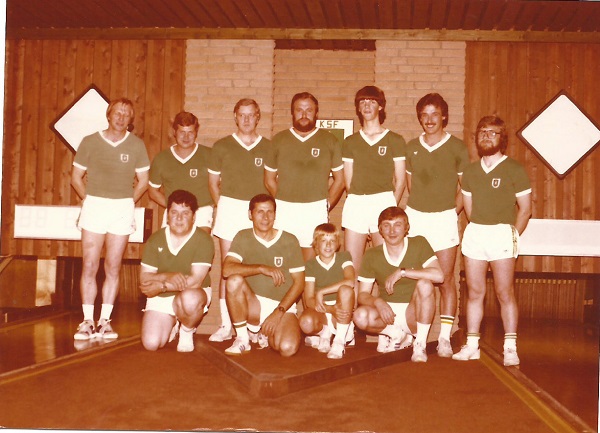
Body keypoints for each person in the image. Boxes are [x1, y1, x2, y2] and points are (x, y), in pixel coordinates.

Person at [452, 115, 532, 367]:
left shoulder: (514, 169)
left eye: (492, 132)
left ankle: (510, 347)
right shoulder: (470, 172)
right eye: (482, 132)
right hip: (476, 233)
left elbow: (525, 210)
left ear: (502, 138)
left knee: (504, 292)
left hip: (502, 234)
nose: (486, 137)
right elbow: (469, 209)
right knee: (475, 292)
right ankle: (472, 345)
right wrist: (479, 228)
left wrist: (511, 235)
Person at [71, 97, 150, 340]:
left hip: (121, 208)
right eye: (117, 113)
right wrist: (89, 200)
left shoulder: (136, 145)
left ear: (130, 119)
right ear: (109, 115)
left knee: (113, 266)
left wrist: (127, 201)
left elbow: (143, 182)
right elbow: (75, 177)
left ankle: (104, 321)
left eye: (126, 114)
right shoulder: (90, 141)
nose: (121, 117)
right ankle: (87, 321)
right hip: (94, 206)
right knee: (90, 264)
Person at [405, 93, 470, 358]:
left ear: (444, 116)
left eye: (435, 114)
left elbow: (465, 189)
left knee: (445, 279)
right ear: (419, 118)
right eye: (424, 115)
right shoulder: (412, 147)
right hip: (416, 218)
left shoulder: (457, 148)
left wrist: (449, 212)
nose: (429, 120)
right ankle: (415, 338)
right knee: (416, 278)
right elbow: (411, 186)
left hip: (444, 219)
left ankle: (444, 338)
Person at [207, 99, 271, 343]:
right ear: (235, 117)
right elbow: (213, 184)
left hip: (258, 212)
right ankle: (227, 325)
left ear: (258, 117)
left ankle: (257, 327)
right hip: (230, 208)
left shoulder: (268, 147)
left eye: (250, 115)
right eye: (241, 115)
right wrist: (225, 206)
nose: (246, 119)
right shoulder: (221, 146)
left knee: (258, 265)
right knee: (229, 268)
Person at [353, 207, 443, 363]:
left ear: (407, 228)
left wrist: (403, 272)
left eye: (398, 225)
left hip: (413, 313)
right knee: (359, 316)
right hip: (387, 315)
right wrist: (378, 302)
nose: (392, 231)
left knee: (425, 284)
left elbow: (439, 276)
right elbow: (362, 295)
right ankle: (394, 333)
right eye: (386, 225)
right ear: (380, 230)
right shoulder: (372, 254)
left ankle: (419, 344)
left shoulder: (419, 243)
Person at [264, 92, 345, 261]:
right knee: (284, 262)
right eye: (299, 110)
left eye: (309, 110)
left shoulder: (329, 140)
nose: (304, 114)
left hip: (315, 210)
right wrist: (283, 200)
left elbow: (340, 180)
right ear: (292, 112)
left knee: (311, 265)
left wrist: (325, 205)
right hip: (285, 209)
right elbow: (269, 179)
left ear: (316, 113)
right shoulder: (278, 140)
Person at [222, 194, 305, 357]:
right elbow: (227, 269)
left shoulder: (289, 240)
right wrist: (261, 268)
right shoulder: (243, 236)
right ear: (250, 214)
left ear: (275, 214)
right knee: (234, 281)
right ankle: (242, 339)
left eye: (270, 212)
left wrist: (278, 312)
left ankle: (265, 334)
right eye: (260, 212)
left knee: (287, 348)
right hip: (253, 305)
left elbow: (300, 283)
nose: (265, 217)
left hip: (282, 307)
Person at [139, 190, 214, 352]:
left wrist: (162, 286)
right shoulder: (155, 239)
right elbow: (144, 278)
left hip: (192, 293)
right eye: (174, 212)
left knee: (190, 298)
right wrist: (168, 276)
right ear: (167, 215)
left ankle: (186, 330)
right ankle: (172, 322)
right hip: (162, 296)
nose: (179, 218)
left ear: (194, 217)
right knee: (151, 343)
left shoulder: (204, 239)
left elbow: (195, 281)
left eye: (185, 213)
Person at [342, 86, 407, 274]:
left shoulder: (395, 140)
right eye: (362, 102)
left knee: (385, 266)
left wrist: (389, 210)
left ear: (380, 106)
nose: (367, 105)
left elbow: (400, 181)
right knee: (352, 267)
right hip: (357, 202)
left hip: (383, 201)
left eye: (372, 101)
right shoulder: (350, 142)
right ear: (358, 108)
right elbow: (349, 182)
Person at [148, 111, 213, 233]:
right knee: (170, 244)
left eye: (190, 132)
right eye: (182, 132)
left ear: (196, 133)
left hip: (201, 211)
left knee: (198, 243)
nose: (186, 137)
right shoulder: (162, 158)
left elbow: (220, 185)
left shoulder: (209, 155)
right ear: (174, 132)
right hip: (174, 212)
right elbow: (152, 191)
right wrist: (175, 207)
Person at [299, 223, 355, 359]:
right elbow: (309, 300)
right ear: (316, 244)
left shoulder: (344, 257)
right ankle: (324, 333)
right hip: (323, 310)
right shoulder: (311, 265)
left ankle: (339, 341)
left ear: (337, 244)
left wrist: (321, 292)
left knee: (346, 290)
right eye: (324, 240)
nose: (328, 245)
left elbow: (350, 281)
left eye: (332, 241)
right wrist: (330, 309)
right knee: (305, 322)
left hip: (341, 310)